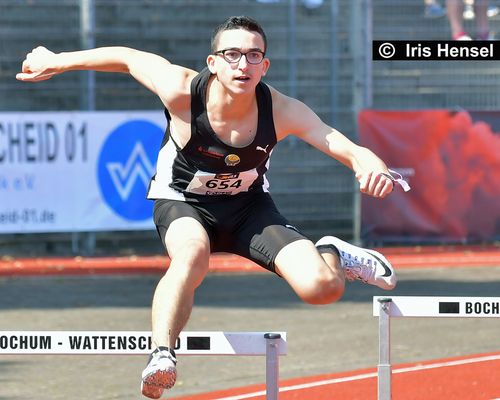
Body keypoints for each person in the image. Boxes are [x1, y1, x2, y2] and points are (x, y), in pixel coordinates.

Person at [17, 16, 402, 399]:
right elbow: (128, 57)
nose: (243, 65)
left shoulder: (281, 110)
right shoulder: (181, 90)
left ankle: (330, 251)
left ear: (265, 66)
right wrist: (58, 59)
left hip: (249, 209)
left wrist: (371, 164)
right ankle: (162, 355)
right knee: (192, 255)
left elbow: (341, 144)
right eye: (232, 54)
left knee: (322, 290)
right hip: (183, 202)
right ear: (212, 62)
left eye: (254, 56)